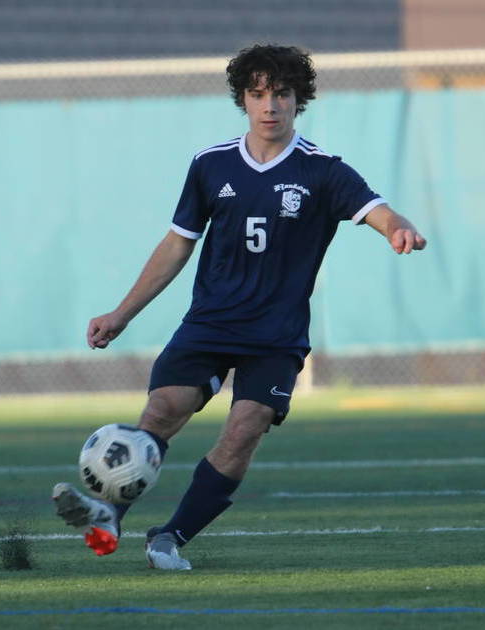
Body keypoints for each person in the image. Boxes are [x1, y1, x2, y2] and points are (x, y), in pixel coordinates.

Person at [52, 43, 426, 570]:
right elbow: (178, 243)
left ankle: (170, 537)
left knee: (243, 430)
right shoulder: (211, 165)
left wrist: (398, 228)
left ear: (300, 101)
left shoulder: (323, 171)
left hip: (275, 335)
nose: (269, 105)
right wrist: (121, 314)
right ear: (243, 101)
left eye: (281, 94)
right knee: (162, 411)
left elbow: (377, 210)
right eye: (257, 94)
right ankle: (109, 514)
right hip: (210, 323)